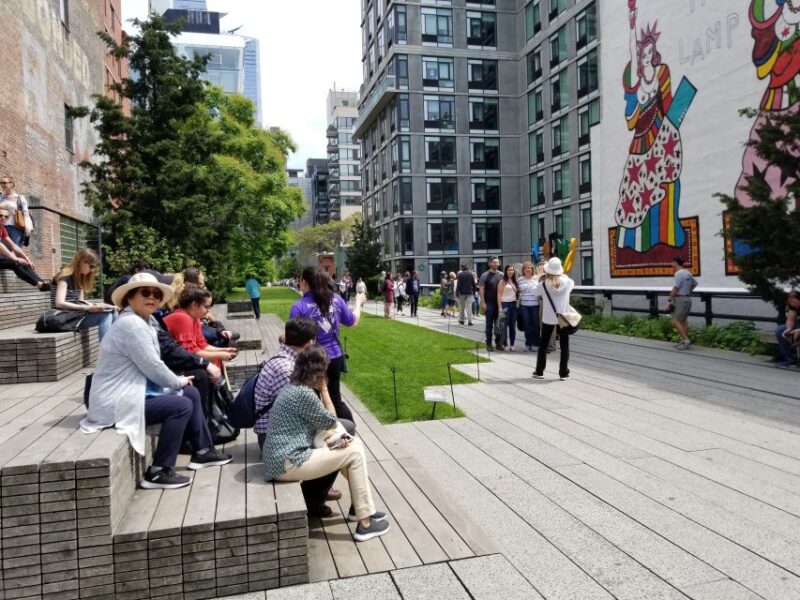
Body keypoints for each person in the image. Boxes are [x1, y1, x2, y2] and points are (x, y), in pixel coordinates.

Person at [81, 272, 232, 489]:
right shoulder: (131, 324)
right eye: (145, 293)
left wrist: (180, 381)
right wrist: (178, 381)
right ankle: (159, 471)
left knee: (191, 392)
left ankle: (202, 451)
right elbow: (152, 365)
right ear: (130, 298)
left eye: (155, 294)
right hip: (116, 400)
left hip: (136, 391)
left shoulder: (147, 320)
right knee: (180, 405)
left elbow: (160, 358)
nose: (151, 297)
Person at [262, 345, 390, 542]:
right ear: (318, 372)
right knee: (354, 450)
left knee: (345, 444)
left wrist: (337, 438)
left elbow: (327, 427)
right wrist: (324, 389)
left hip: (282, 459)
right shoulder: (303, 394)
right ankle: (365, 523)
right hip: (288, 463)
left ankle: (361, 508)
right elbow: (332, 420)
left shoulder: (293, 387)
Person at [254, 318, 351, 515]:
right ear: (309, 342)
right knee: (343, 433)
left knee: (340, 433)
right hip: (277, 441)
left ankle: (320, 483)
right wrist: (324, 391)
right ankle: (314, 496)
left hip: (277, 433)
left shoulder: (286, 358)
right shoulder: (289, 370)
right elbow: (316, 417)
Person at [290, 267, 366, 423]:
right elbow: (352, 321)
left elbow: (293, 341)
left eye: (300, 281)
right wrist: (358, 302)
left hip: (312, 358)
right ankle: (349, 431)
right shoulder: (336, 299)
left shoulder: (299, 307)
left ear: (304, 282)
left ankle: (322, 434)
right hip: (334, 357)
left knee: (313, 400)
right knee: (335, 398)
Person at [163, 285, 238, 366]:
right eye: (206, 307)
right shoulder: (183, 317)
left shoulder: (195, 318)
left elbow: (202, 345)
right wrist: (220, 355)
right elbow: (190, 352)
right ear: (194, 305)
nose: (208, 311)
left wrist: (223, 350)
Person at [51, 249, 115, 340]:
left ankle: (115, 347)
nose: (92, 270)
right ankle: (106, 351)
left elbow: (80, 302)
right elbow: (59, 303)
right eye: (91, 266)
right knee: (105, 316)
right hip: (64, 318)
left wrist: (99, 305)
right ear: (81, 261)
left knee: (113, 311)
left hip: (75, 316)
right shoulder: (64, 277)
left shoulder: (79, 279)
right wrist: (87, 308)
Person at [532, 258, 574, 380]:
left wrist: (539, 276)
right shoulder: (568, 282)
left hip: (548, 317)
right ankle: (563, 372)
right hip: (563, 317)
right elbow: (570, 284)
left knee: (543, 345)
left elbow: (535, 292)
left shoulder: (543, 284)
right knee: (564, 345)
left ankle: (539, 371)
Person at [0, 207, 49, 291]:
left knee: (25, 263)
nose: (3, 218)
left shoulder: (2, 228)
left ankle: (42, 283)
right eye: (0, 215)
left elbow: (13, 245)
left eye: (6, 216)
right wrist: (15, 258)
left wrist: (27, 258)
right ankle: (38, 284)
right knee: (15, 263)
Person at [667, 256, 697, 350]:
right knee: (683, 321)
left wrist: (670, 300)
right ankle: (684, 341)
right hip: (687, 298)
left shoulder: (678, 273)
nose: (671, 264)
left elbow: (675, 288)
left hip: (680, 299)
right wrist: (688, 291)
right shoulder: (687, 272)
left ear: (676, 262)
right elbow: (695, 283)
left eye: (672, 262)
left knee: (674, 320)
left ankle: (686, 341)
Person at [0, 176, 32, 246]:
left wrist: (28, 227)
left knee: (15, 252)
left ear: (12, 184)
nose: (2, 185)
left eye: (4, 183)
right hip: (2, 227)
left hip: (16, 228)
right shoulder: (0, 198)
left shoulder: (19, 198)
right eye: (1, 183)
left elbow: (26, 214)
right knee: (3, 253)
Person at [479, 257, 502, 351]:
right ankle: (489, 343)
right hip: (489, 303)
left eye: (497, 262)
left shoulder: (501, 275)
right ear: (490, 264)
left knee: (499, 325)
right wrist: (483, 302)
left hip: (499, 304)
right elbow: (481, 289)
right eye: (494, 262)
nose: (496, 264)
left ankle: (498, 343)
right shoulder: (485, 275)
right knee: (489, 325)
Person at [518, 261, 541, 351]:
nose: (527, 269)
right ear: (523, 270)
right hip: (525, 305)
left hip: (535, 305)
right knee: (526, 325)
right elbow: (518, 291)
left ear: (532, 269)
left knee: (535, 325)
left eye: (529, 268)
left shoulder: (537, 278)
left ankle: (536, 343)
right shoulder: (520, 279)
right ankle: (528, 343)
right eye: (526, 268)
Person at [497, 264, 520, 351]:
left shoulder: (515, 281)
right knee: (504, 325)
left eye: (512, 270)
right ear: (506, 271)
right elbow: (499, 295)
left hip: (514, 305)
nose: (511, 272)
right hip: (505, 304)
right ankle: (505, 343)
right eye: (509, 270)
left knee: (513, 326)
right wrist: (500, 307)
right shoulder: (502, 281)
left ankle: (512, 344)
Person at [776, 290, 800, 368]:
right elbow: (791, 319)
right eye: (790, 303)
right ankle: (789, 359)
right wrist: (789, 329)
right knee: (780, 330)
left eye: (794, 302)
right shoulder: (793, 306)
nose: (793, 305)